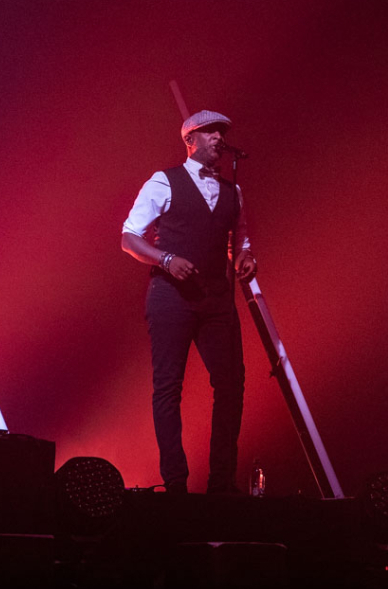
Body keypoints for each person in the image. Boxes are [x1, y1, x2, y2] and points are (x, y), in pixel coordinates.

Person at [121, 110, 257, 494]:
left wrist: (245, 260)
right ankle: (176, 482)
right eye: (211, 131)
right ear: (190, 140)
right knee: (169, 385)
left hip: (216, 299)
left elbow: (239, 242)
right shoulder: (163, 181)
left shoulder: (234, 192)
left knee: (231, 383)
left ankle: (221, 482)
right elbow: (129, 236)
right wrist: (164, 259)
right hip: (171, 297)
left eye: (222, 132)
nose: (219, 137)